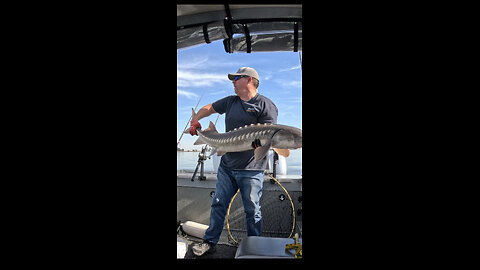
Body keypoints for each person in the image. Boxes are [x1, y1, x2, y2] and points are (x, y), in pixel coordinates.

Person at [189, 67, 278, 256]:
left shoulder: (265, 105)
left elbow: (268, 140)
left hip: (252, 170)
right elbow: (209, 108)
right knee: (218, 204)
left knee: (252, 210)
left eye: (236, 78)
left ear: (249, 80)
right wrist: (195, 120)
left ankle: (255, 247)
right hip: (227, 167)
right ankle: (209, 241)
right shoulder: (230, 101)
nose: (232, 81)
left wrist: (258, 144)